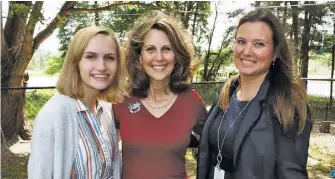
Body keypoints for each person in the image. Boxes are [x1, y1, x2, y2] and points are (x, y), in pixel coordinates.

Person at [197, 9, 312, 179]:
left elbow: (291, 174)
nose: (247, 51)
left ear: (275, 53)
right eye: (241, 41)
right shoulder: (227, 91)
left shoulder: (286, 104)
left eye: (259, 44)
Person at [112, 11, 207, 179]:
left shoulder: (191, 101)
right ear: (139, 57)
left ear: (176, 55)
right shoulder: (121, 100)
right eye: (150, 49)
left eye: (166, 49)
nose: (159, 57)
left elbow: (212, 150)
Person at [28, 26, 126, 179]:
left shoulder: (105, 109)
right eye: (91, 56)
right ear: (76, 62)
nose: (101, 67)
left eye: (109, 58)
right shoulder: (54, 115)